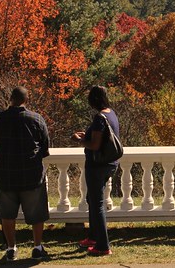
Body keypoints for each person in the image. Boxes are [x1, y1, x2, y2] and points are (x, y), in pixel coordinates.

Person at [0, 86, 51, 262]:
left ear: (10, 99)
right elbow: (45, 147)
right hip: (31, 174)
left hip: (6, 174)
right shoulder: (36, 119)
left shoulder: (0, 119)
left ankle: (11, 248)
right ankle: (37, 247)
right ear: (26, 100)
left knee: (7, 214)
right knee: (36, 213)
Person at [71, 85, 122, 256]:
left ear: (93, 100)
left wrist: (79, 140)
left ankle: (103, 245)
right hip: (111, 163)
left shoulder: (100, 118)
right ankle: (93, 237)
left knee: (97, 203)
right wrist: (86, 135)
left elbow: (94, 145)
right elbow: (102, 138)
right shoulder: (111, 114)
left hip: (98, 165)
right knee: (92, 199)